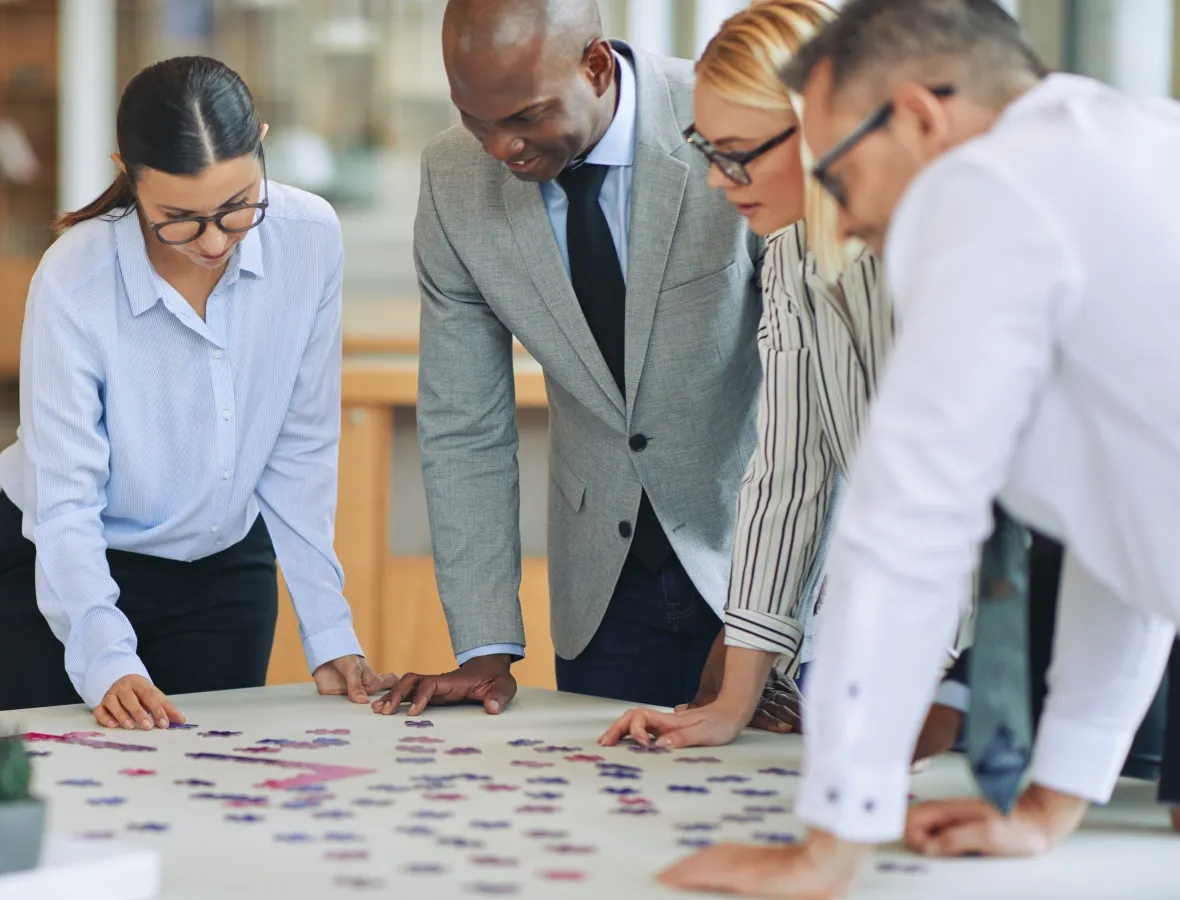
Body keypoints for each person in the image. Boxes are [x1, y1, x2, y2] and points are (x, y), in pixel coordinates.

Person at [660, 0, 1180, 895]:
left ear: (918, 116)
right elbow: (1132, 530)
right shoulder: (1125, 146)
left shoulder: (986, 194)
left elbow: (907, 526)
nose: (837, 212)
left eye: (837, 172)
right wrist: (1048, 806)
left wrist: (831, 844)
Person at [591, 0, 973, 760]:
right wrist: (732, 703)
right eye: (707, 150)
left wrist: (942, 688)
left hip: (1042, 632)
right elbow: (788, 473)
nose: (716, 179)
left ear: (823, 123)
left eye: (737, 153)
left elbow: (966, 505)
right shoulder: (795, 251)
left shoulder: (947, 247)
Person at [373, 0, 766, 717]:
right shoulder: (453, 179)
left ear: (595, 66)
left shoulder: (729, 120)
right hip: (604, 594)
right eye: (474, 119)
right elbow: (464, 425)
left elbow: (820, 391)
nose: (500, 148)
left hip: (759, 555)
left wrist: (760, 627)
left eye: (524, 117)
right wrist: (485, 648)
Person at [0, 57, 393, 732]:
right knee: (66, 780)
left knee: (215, 783)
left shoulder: (310, 237)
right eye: (178, 218)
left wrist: (329, 631)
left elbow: (301, 446)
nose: (213, 241)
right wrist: (106, 656)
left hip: (222, 567)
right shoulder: (74, 278)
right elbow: (65, 501)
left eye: (237, 208)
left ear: (261, 142)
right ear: (128, 172)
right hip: (67, 562)